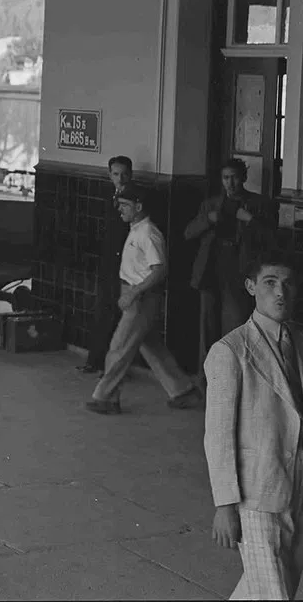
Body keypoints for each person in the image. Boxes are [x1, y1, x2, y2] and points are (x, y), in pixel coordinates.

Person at [204, 257, 303, 599]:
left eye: (288, 283)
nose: (280, 292)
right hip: (257, 484)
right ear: (251, 287)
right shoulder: (230, 351)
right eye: (269, 282)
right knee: (271, 591)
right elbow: (218, 436)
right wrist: (224, 505)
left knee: (277, 583)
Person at [86, 184, 201, 414]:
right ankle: (184, 391)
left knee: (118, 349)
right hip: (136, 297)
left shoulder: (148, 233)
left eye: (126, 205)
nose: (121, 210)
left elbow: (159, 270)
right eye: (120, 205)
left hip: (141, 300)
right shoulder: (137, 229)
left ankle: (106, 398)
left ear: (139, 206)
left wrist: (134, 293)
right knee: (152, 348)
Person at [187, 158, 274, 377]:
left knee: (234, 324)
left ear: (243, 178)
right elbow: (189, 233)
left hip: (239, 270)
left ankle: (234, 378)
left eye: (234, 177)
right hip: (211, 268)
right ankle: (206, 381)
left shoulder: (258, 203)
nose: (230, 183)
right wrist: (208, 220)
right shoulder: (211, 204)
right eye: (226, 178)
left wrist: (251, 220)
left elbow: (271, 238)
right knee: (208, 327)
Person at [79, 155, 133, 373]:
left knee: (117, 315)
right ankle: (96, 360)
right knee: (102, 310)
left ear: (131, 175)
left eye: (124, 174)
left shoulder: (133, 199)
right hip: (108, 261)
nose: (120, 179)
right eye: (116, 174)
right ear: (109, 175)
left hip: (125, 264)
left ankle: (111, 366)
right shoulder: (108, 196)